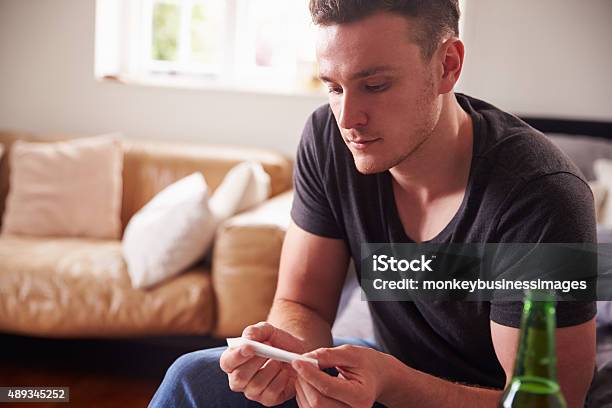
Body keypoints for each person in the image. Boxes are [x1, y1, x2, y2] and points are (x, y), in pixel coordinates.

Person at [150, 1, 597, 407]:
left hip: (476, 397)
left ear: (448, 65)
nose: (348, 120)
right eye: (333, 87)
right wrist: (293, 354)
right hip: (383, 371)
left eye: (375, 85)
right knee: (192, 378)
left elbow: (543, 403)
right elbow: (302, 302)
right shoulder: (328, 137)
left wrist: (393, 384)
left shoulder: (541, 195)